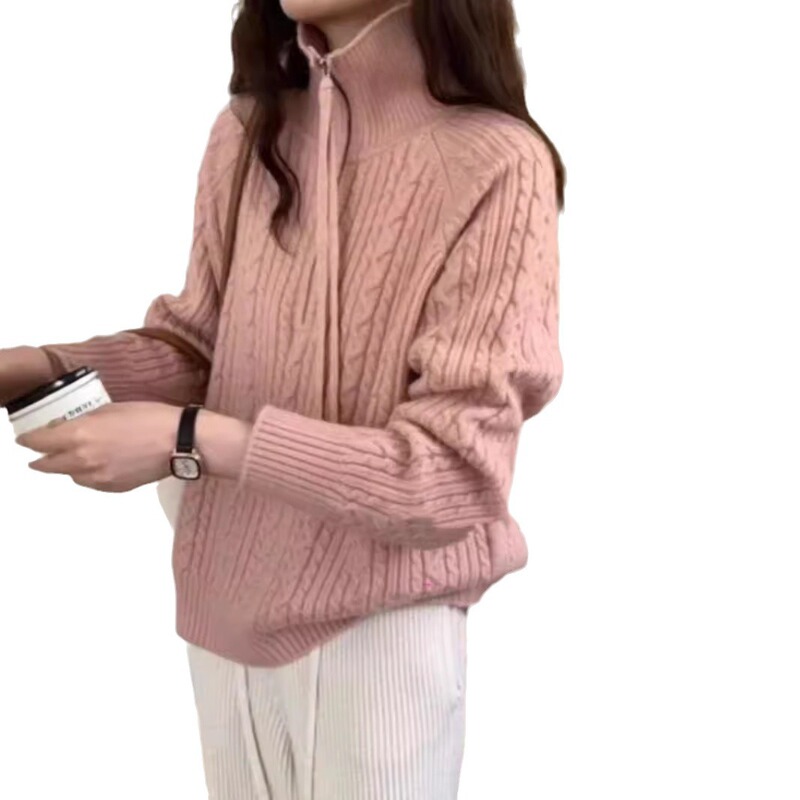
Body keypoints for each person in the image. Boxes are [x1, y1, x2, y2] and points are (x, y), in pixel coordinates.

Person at [0, 0, 566, 797]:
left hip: (381, 628)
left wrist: (187, 438)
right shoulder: (250, 133)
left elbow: (451, 476)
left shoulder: (495, 162)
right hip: (223, 609)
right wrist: (34, 367)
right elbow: (200, 350)